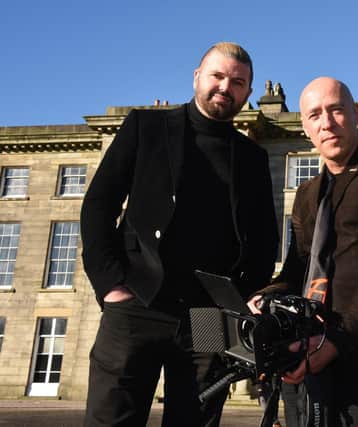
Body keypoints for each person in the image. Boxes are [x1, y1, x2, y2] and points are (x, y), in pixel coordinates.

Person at [81, 42, 279, 427]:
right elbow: (98, 206)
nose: (225, 87)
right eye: (217, 76)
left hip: (209, 315)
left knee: (196, 421)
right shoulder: (146, 127)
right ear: (197, 77)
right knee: (111, 420)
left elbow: (263, 241)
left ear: (249, 93)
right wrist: (110, 285)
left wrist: (238, 305)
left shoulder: (252, 157)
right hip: (138, 302)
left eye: (237, 82)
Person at [249, 77, 358, 426]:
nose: (326, 123)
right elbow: (298, 270)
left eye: (336, 110)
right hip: (306, 348)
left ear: (356, 113)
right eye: (314, 115)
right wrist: (263, 297)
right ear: (305, 127)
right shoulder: (306, 193)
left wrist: (335, 341)